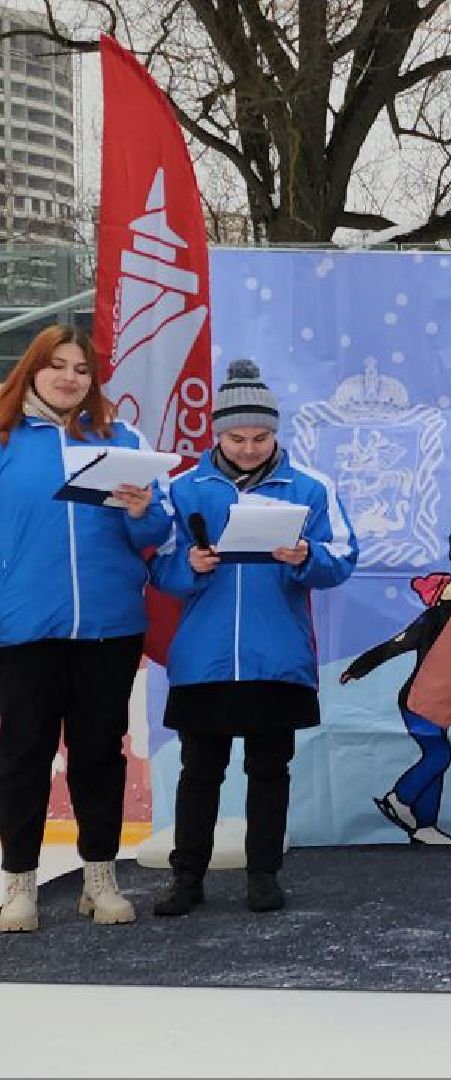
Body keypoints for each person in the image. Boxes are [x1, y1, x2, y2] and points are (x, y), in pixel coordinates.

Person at [150, 358, 359, 916]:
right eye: (237, 437)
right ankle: (186, 877)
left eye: (260, 437)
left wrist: (305, 556)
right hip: (203, 659)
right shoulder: (184, 488)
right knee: (199, 771)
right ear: (216, 433)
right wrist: (189, 565)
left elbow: (342, 558)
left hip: (278, 655)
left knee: (270, 770)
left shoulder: (312, 487)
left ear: (276, 433)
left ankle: (263, 874)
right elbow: (159, 568)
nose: (248, 448)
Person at [0, 325, 171, 933]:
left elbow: (157, 537)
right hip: (23, 628)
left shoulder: (121, 440)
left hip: (108, 626)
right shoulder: (5, 439)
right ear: (34, 370)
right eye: (57, 366)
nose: (70, 378)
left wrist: (141, 510)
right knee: (23, 755)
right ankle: (18, 882)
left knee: (99, 754)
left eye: (81, 369)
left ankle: (100, 878)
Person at [340, 572, 451, 845]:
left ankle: (425, 826)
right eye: (449, 586)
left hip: (442, 701)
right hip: (418, 700)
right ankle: (399, 797)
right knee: (439, 754)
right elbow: (394, 645)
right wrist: (358, 668)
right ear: (439, 593)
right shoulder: (433, 619)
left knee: (437, 756)